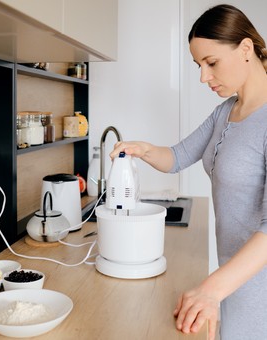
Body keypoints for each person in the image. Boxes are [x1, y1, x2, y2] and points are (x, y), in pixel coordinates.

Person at [110, 4, 267, 340]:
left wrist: (210, 289)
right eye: (199, 65)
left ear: (245, 49)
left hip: (258, 283)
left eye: (211, 63)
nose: (203, 77)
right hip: (232, 277)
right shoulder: (226, 111)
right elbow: (179, 156)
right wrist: (144, 150)